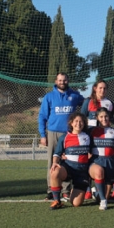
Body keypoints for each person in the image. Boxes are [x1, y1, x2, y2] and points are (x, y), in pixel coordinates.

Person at [38, 72, 84, 201]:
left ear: (68, 81)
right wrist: (43, 135)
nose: (62, 82)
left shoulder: (75, 96)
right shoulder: (49, 96)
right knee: (52, 162)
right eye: (60, 80)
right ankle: (50, 189)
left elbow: (86, 104)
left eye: (64, 80)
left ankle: (65, 190)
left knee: (68, 162)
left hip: (70, 134)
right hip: (53, 133)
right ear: (56, 81)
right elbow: (42, 116)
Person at [48, 112, 91, 210]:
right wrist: (55, 163)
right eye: (76, 121)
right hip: (68, 167)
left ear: (84, 124)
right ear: (71, 123)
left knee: (76, 204)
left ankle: (74, 190)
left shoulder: (88, 136)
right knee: (54, 172)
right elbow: (57, 153)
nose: (78, 124)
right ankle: (57, 201)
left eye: (81, 122)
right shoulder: (64, 137)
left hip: (82, 171)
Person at [81, 79, 113, 199]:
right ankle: (88, 189)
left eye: (104, 88)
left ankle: (103, 189)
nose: (102, 90)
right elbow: (83, 117)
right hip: (90, 134)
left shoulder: (109, 103)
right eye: (100, 88)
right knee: (88, 160)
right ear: (95, 88)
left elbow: (111, 118)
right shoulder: (88, 101)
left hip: (102, 135)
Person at [88, 107, 114, 210]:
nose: (104, 119)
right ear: (97, 118)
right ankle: (102, 199)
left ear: (109, 117)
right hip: (96, 160)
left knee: (106, 195)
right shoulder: (91, 131)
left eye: (106, 116)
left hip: (110, 161)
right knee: (99, 172)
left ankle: (97, 193)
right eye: (101, 116)